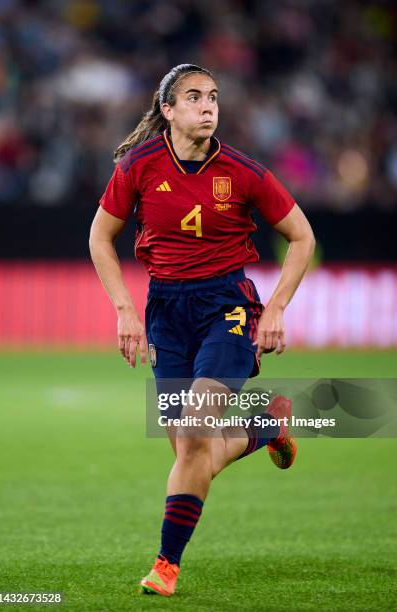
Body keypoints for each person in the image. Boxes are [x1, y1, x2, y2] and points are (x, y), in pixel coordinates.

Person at [89, 63, 315, 597]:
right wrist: (124, 309)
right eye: (193, 97)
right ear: (167, 110)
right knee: (194, 454)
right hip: (166, 311)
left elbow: (302, 237)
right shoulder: (137, 165)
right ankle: (264, 428)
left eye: (213, 96)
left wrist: (277, 308)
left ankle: (166, 564)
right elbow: (100, 238)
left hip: (227, 308)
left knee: (194, 435)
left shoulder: (243, 171)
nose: (208, 106)